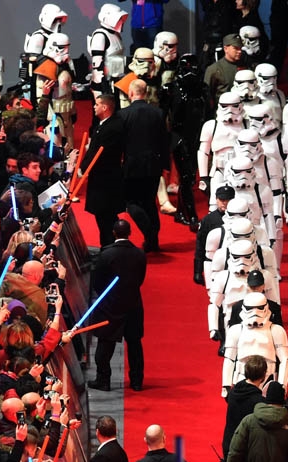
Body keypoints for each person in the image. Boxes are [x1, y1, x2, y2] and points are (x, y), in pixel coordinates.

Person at [89, 220, 148, 392]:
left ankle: (103, 379)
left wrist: (106, 295)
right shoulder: (139, 254)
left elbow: (97, 281)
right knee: (135, 343)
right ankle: (137, 381)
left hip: (110, 304)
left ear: (114, 233)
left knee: (105, 343)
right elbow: (140, 279)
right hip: (133, 303)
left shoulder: (106, 255)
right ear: (129, 232)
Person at [118, 79, 171, 253]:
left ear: (131, 93)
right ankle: (153, 241)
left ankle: (149, 234)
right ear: (146, 93)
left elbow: (120, 143)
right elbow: (164, 141)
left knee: (131, 202)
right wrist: (166, 164)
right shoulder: (158, 113)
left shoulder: (123, 114)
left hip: (132, 165)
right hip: (154, 165)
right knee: (149, 202)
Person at [80, 94, 127, 247]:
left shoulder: (112, 127)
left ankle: (109, 247)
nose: (94, 107)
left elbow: (100, 154)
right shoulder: (105, 125)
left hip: (105, 181)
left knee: (106, 217)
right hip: (102, 179)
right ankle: (109, 246)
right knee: (104, 217)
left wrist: (84, 168)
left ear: (105, 107)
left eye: (97, 104)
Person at [221, 355, 268, 462]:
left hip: (228, 445)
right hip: (244, 452)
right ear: (263, 375)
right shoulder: (259, 402)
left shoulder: (233, 392)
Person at [205, 35, 245, 106]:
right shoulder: (214, 69)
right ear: (226, 49)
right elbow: (207, 95)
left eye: (240, 48)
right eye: (236, 48)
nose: (239, 51)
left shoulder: (245, 66)